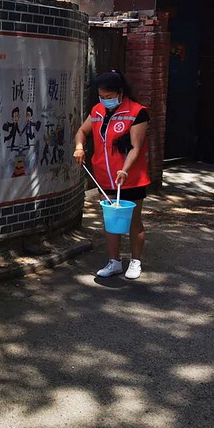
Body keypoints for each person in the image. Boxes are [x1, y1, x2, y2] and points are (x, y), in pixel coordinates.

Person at [73, 70, 150, 279]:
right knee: (111, 220)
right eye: (102, 96)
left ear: (120, 92)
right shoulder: (97, 111)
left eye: (109, 96)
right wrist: (79, 147)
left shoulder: (137, 112)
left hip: (131, 178)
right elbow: (82, 131)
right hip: (104, 177)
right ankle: (114, 262)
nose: (105, 100)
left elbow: (136, 147)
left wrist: (124, 169)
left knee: (133, 220)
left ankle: (135, 261)